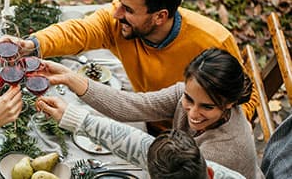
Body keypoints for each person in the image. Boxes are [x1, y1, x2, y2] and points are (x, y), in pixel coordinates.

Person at [9, 0, 259, 136]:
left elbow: (245, 97)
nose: (116, 13)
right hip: (144, 113)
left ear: (160, 16)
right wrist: (33, 44)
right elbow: (81, 31)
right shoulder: (119, 24)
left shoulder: (212, 40)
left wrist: (214, 128)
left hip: (192, 135)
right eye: (118, 3)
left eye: (128, 9)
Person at [37, 48, 263, 178]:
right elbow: (135, 108)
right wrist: (72, 80)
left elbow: (148, 154)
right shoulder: (190, 93)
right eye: (189, 99)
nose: (192, 113)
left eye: (207, 107)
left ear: (229, 104)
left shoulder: (224, 153)